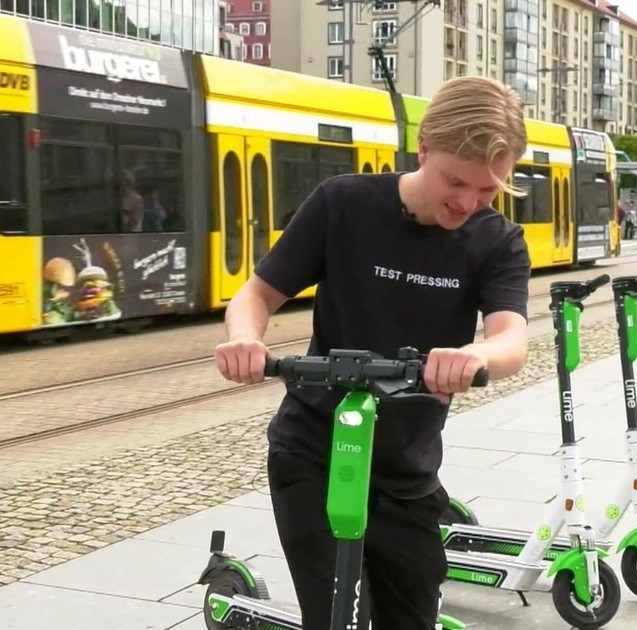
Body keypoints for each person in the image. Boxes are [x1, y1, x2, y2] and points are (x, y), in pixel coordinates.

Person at [213, 75, 532, 630]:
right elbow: (257, 294)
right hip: (314, 453)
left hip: (406, 469)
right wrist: (246, 338)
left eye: (487, 190)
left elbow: (512, 339)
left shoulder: (497, 240)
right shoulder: (344, 203)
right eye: (455, 181)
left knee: (412, 616)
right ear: (424, 149)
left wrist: (477, 356)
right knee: (337, 617)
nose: (467, 202)